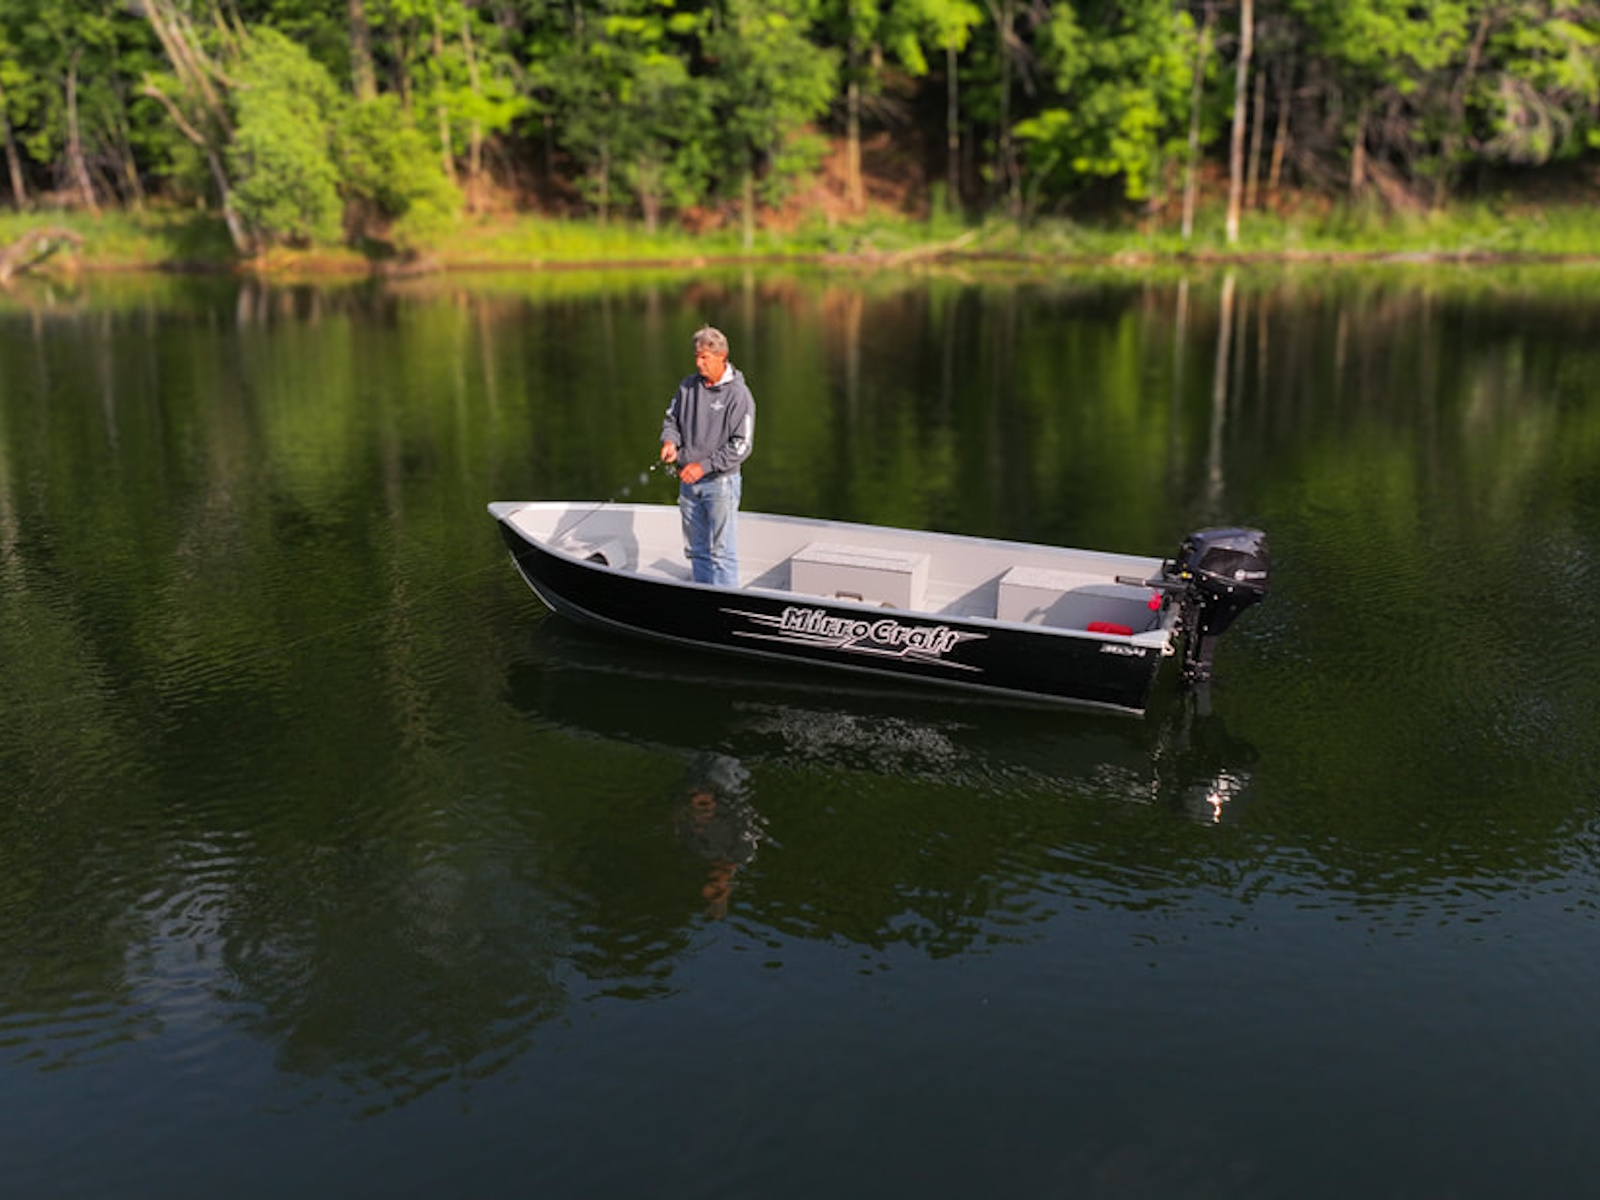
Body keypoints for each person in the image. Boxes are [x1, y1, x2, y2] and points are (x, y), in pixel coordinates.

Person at [659, 325, 755, 587]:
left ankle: (725, 600)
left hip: (721, 483)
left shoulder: (739, 395)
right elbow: (671, 421)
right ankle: (703, 595)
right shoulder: (687, 387)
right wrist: (670, 442)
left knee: (722, 551)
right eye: (697, 357)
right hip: (688, 482)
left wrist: (703, 467)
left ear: (722, 357)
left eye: (705, 358)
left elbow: (742, 445)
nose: (699, 363)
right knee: (696, 549)